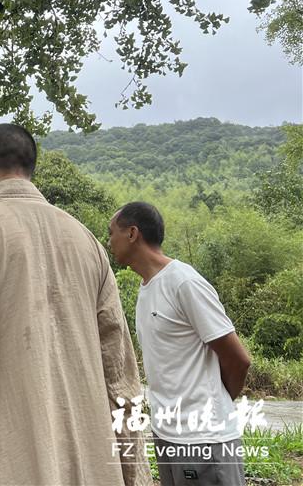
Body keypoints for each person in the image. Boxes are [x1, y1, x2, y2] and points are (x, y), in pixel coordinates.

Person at [0, 124, 151, 486]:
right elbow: (120, 371)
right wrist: (132, 468)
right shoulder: (86, 240)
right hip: (95, 464)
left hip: (12, 461)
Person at [108, 202, 251, 486]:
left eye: (112, 233)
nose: (108, 241)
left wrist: (215, 403)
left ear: (132, 233)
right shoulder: (147, 287)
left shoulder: (184, 283)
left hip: (204, 440)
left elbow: (238, 359)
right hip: (168, 436)